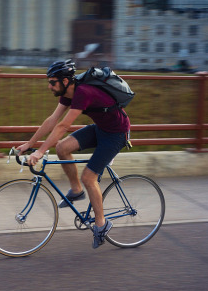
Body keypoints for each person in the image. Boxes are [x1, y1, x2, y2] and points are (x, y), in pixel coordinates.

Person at [17, 59, 130, 249]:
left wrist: (40, 152)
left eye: (52, 82)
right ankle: (76, 191)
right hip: (100, 128)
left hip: (116, 134)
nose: (49, 86)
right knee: (61, 148)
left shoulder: (82, 93)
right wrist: (30, 143)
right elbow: (52, 120)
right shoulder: (67, 92)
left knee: (89, 177)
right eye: (49, 82)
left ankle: (101, 225)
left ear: (65, 81)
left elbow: (63, 126)